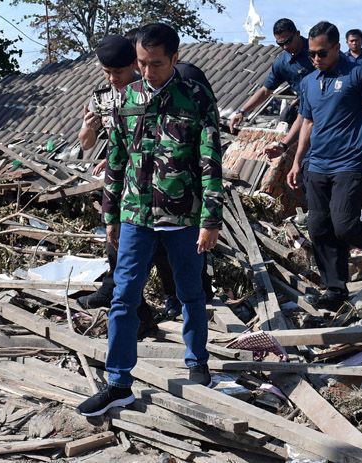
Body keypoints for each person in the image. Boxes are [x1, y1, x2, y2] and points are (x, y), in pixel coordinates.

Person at [77, 23, 223, 417]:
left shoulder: (195, 97)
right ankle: (118, 382)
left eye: (156, 64)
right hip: (136, 215)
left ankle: (197, 363)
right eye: (141, 63)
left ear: (175, 59)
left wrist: (211, 219)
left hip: (184, 216)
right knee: (123, 298)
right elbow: (116, 158)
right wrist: (110, 213)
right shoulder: (128, 97)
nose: (147, 71)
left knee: (190, 294)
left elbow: (210, 161)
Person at [79, 32, 214, 323]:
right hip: (134, 194)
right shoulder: (107, 97)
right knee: (122, 255)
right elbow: (94, 144)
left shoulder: (181, 90)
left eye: (119, 71)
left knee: (176, 258)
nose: (113, 78)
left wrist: (210, 217)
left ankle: (179, 299)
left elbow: (200, 149)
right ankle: (131, 305)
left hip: (174, 194)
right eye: (107, 73)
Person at [287, 21, 362, 312]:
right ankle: (335, 288)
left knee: (344, 224)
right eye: (312, 54)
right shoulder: (309, 82)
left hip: (350, 162)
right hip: (317, 164)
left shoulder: (358, 74)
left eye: (322, 53)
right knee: (318, 226)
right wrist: (297, 161)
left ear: (336, 47)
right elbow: (307, 123)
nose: (316, 59)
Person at [229, 18, 313, 160]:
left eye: (288, 41)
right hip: (306, 117)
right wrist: (242, 111)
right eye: (280, 44)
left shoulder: (316, 50)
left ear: (297, 34)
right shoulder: (282, 63)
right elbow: (265, 90)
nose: (285, 47)